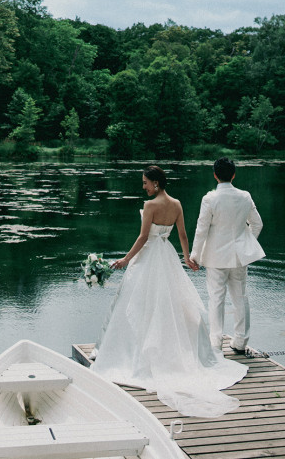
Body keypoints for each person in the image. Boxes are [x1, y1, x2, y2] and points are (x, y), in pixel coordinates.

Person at [91, 165, 247, 417]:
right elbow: (183, 235)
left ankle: (136, 351)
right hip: (167, 255)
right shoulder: (176, 204)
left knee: (139, 302)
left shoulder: (151, 206)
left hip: (149, 255)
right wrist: (187, 258)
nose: (143, 187)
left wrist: (126, 260)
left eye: (145, 183)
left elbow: (143, 238)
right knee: (169, 302)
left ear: (155, 183)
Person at [189, 157, 265, 355]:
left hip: (215, 257)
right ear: (233, 175)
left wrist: (194, 256)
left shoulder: (209, 199)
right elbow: (257, 224)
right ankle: (240, 342)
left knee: (216, 299)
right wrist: (246, 243)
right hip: (239, 257)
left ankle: (216, 344)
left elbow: (201, 230)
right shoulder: (245, 196)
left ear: (215, 175)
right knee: (240, 298)